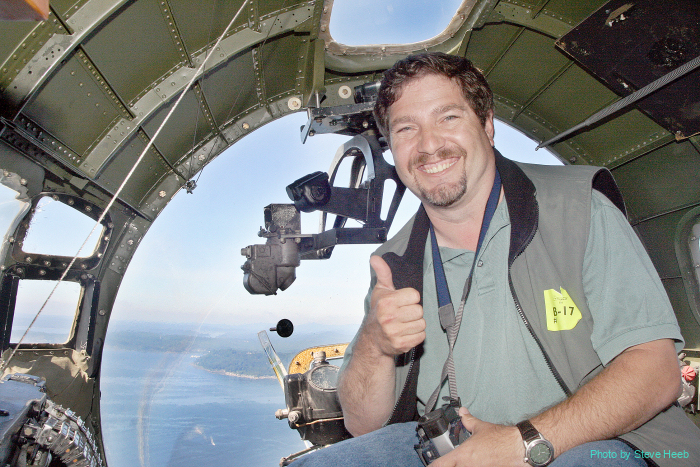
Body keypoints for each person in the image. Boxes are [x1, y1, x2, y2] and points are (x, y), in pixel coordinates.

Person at [294, 52, 700, 466]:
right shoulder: (393, 262)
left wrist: (522, 443)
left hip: (592, 439)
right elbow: (363, 424)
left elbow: (655, 371)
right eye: (406, 129)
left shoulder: (578, 208)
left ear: (487, 126)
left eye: (448, 118)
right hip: (455, 442)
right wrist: (374, 343)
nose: (429, 145)